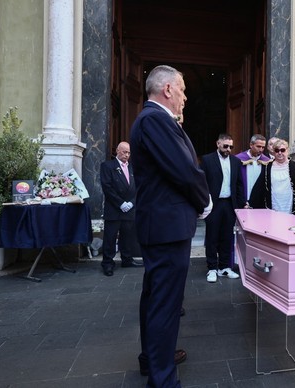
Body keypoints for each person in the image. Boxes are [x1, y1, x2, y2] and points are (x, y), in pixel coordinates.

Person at [129, 65, 212, 387]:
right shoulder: (154, 119)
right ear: (167, 89)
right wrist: (204, 200)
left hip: (162, 225)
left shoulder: (151, 119)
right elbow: (183, 169)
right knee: (166, 303)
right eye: (182, 90)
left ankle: (153, 358)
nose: (185, 98)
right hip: (166, 226)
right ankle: (163, 379)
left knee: (155, 297)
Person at [200, 134, 245, 283]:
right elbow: (202, 183)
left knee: (227, 237)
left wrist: (239, 205)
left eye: (231, 146)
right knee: (212, 236)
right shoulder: (207, 160)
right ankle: (212, 268)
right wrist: (204, 203)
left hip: (229, 204)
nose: (228, 149)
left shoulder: (236, 161)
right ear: (218, 144)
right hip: (214, 204)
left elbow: (239, 184)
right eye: (225, 146)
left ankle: (224, 267)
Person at [99, 141, 143, 277]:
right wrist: (120, 203)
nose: (126, 155)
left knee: (127, 237)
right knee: (110, 238)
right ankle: (107, 263)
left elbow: (138, 187)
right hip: (114, 209)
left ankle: (127, 259)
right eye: (124, 152)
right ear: (117, 151)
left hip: (129, 209)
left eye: (129, 153)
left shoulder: (133, 167)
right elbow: (107, 187)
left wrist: (131, 203)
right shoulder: (107, 166)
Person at [250, 139, 295, 214]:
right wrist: (251, 203)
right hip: (274, 204)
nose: (280, 153)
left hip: (290, 204)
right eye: (277, 150)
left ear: (287, 150)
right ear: (274, 152)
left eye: (282, 150)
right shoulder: (267, 167)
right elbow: (259, 187)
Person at [235, 134, 270, 208]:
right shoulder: (238, 159)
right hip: (242, 199)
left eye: (263, 147)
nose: (261, 150)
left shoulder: (267, 162)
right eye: (258, 146)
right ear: (251, 145)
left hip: (260, 201)